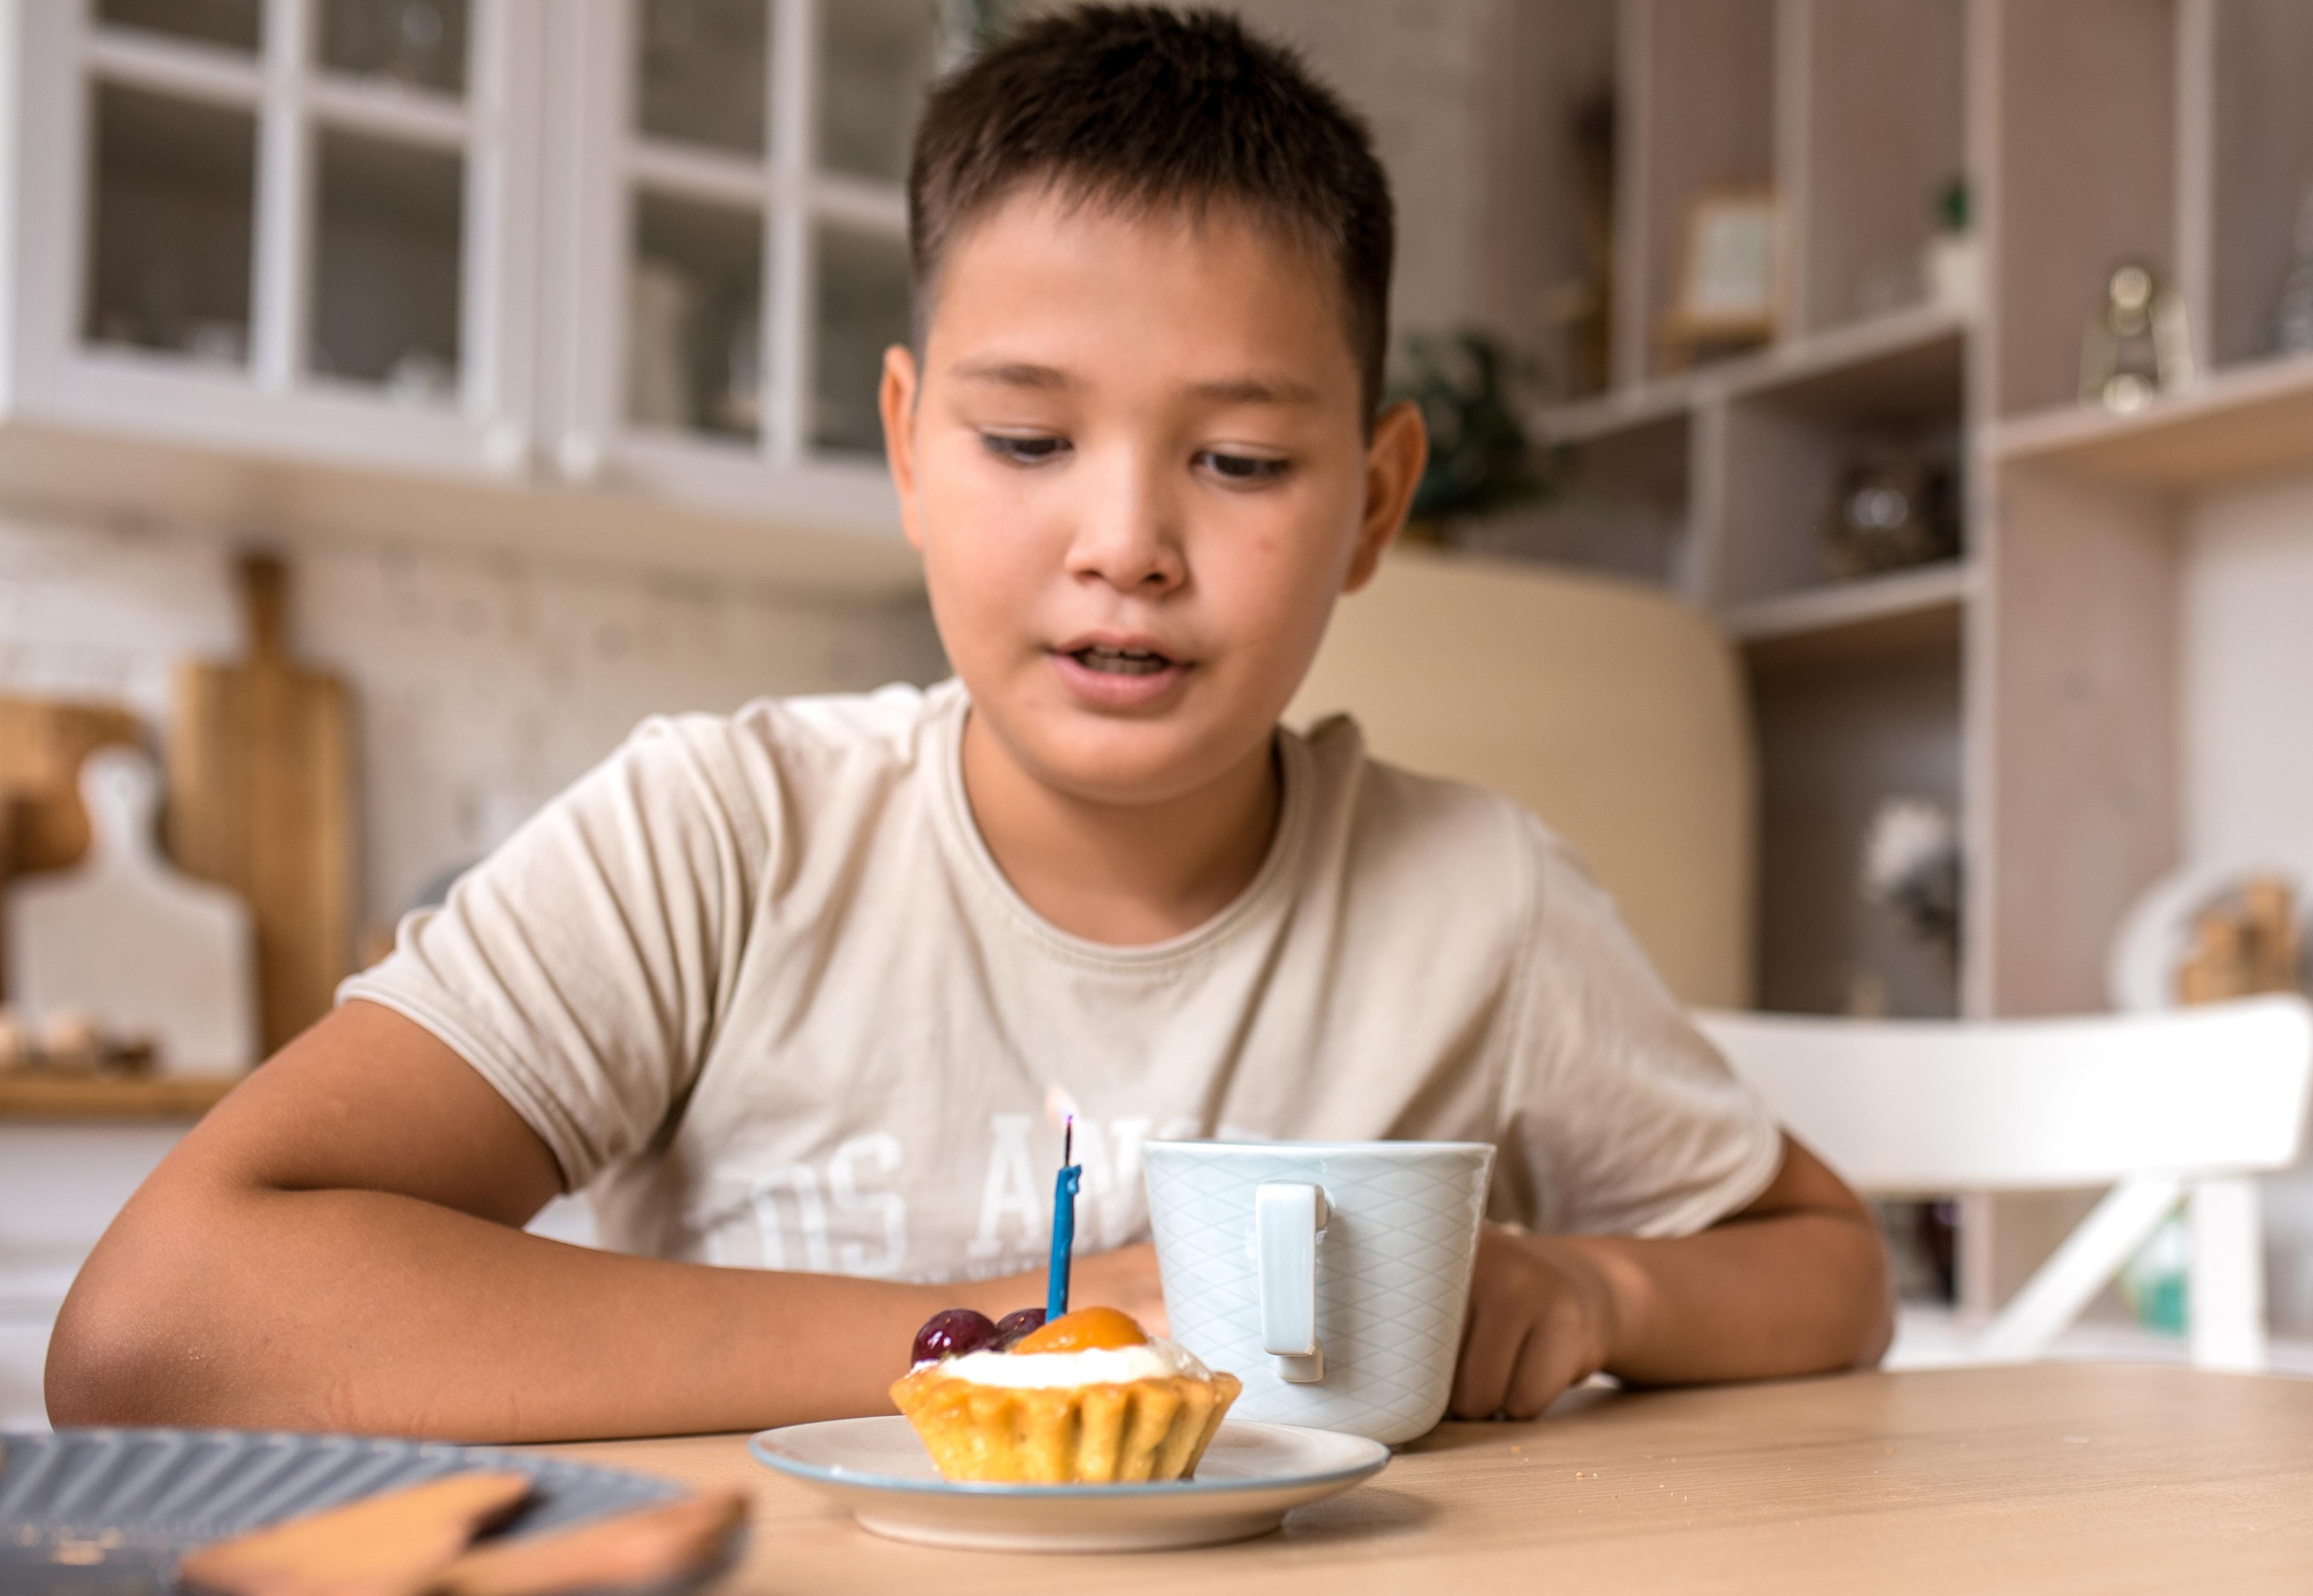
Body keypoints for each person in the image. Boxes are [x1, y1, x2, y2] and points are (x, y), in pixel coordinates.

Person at [48, 6, 1889, 1442]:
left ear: (1374, 507)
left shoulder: (1471, 903)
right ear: (906, 446)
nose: (1125, 548)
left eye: (1239, 461)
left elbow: (1823, 1273)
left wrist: (1585, 1291)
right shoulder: (723, 839)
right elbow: (157, 1328)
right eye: (1024, 441)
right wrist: (1028, 1342)